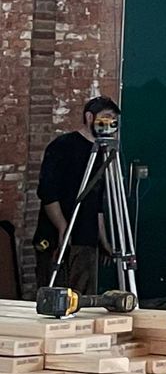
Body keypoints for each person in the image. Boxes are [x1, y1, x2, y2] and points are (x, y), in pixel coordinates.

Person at [34, 95, 118, 293]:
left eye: (113, 119)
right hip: (56, 237)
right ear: (90, 117)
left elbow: (97, 202)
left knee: (83, 297)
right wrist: (63, 228)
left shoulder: (103, 153)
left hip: (86, 239)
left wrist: (103, 240)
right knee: (56, 293)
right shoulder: (62, 146)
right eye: (105, 116)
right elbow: (48, 193)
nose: (109, 123)